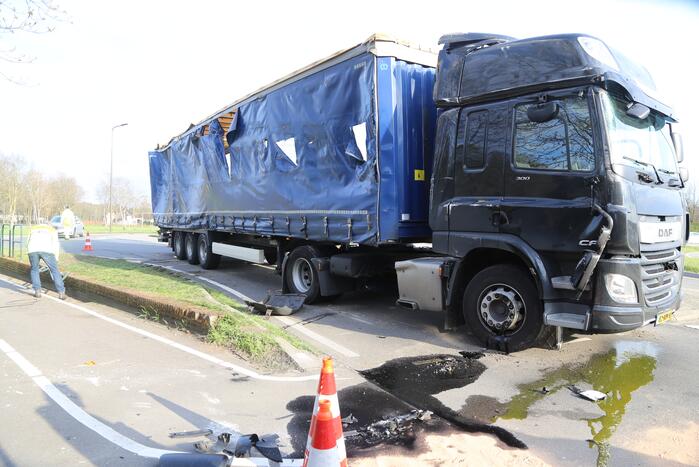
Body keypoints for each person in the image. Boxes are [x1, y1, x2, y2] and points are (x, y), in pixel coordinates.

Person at [27, 223, 66, 299]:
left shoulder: (33, 228)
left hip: (32, 250)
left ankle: (37, 291)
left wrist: (29, 252)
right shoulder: (52, 229)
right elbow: (55, 243)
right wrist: (56, 257)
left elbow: (28, 240)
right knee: (54, 270)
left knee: (34, 269)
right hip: (47, 250)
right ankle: (61, 293)